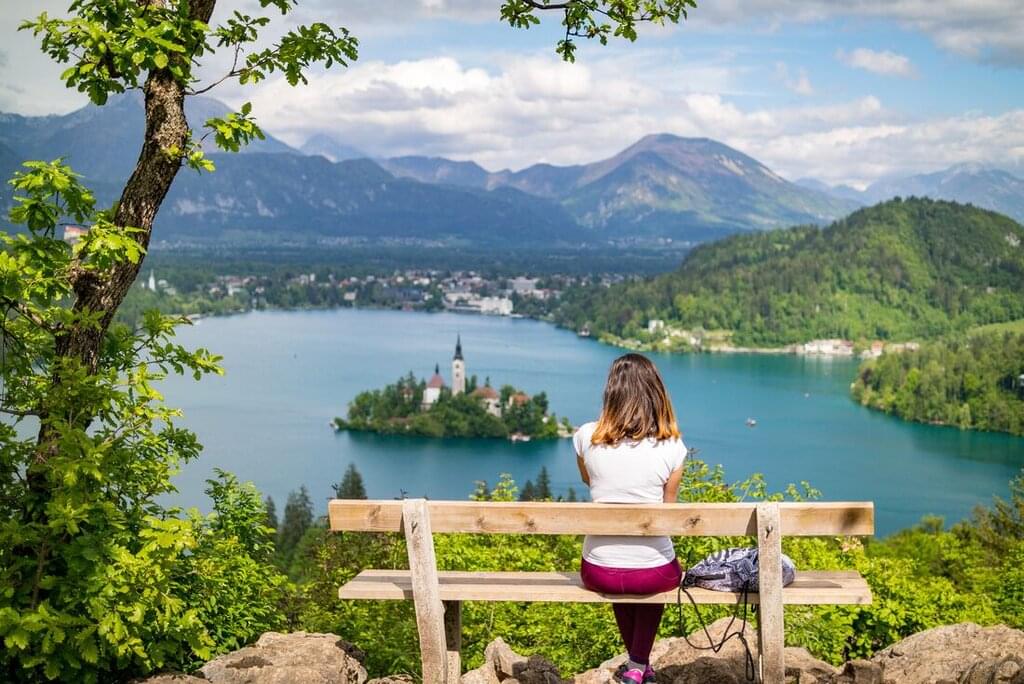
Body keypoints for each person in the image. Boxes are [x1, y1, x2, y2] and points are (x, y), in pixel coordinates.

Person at [574, 353, 687, 684]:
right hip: (653, 574)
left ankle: (637, 666)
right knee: (652, 569)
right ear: (655, 392)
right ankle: (638, 665)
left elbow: (589, 480)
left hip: (598, 570)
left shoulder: (585, 437)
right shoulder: (672, 446)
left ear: (611, 391)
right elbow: (668, 509)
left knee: (622, 565)